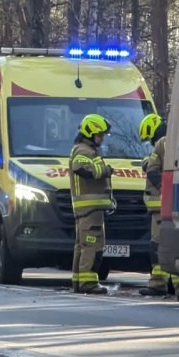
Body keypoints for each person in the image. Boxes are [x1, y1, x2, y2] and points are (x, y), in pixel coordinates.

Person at [138, 113, 179, 300]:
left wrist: (164, 191)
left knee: (159, 246)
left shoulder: (161, 143)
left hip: (160, 208)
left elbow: (152, 170)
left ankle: (158, 284)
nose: (151, 142)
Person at [69, 114, 114, 294]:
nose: (101, 138)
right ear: (90, 133)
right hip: (90, 209)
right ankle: (88, 283)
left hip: (87, 209)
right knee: (91, 245)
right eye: (99, 134)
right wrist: (104, 170)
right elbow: (80, 168)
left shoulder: (84, 149)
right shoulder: (83, 151)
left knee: (82, 245)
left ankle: (79, 281)